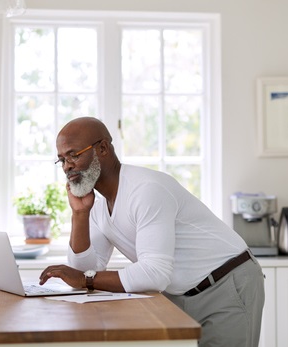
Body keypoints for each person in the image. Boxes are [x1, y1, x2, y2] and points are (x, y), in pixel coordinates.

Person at [39, 117, 265, 347]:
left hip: (225, 283)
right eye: (61, 159)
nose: (67, 166)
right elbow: (84, 271)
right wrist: (79, 214)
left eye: (73, 154)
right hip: (180, 293)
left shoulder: (146, 190)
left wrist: (85, 279)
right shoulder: (96, 204)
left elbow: (154, 273)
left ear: (103, 148)